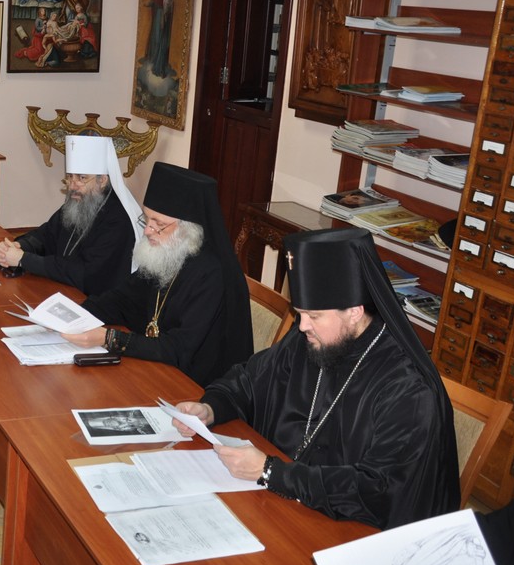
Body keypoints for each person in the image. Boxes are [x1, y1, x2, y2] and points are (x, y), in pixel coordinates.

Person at [174, 227, 459, 530]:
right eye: (300, 313)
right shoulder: (312, 340)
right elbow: (248, 381)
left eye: (314, 316)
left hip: (350, 532)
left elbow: (377, 489)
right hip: (283, 506)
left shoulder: (408, 389)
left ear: (354, 311)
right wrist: (211, 407)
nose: (302, 326)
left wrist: (272, 472)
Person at [63, 162, 252, 386]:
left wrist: (111, 338)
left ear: (187, 229)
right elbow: (122, 299)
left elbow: (180, 348)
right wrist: (74, 315)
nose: (147, 231)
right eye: (146, 219)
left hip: (195, 386)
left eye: (158, 224)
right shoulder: (167, 252)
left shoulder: (211, 274)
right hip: (157, 369)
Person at [0, 135, 142, 296]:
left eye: (82, 178)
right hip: (62, 290)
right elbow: (46, 236)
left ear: (102, 180)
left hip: (95, 301)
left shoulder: (118, 221)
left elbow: (86, 273)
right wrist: (19, 246)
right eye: (70, 177)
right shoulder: (80, 203)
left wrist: (24, 259)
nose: (73, 186)